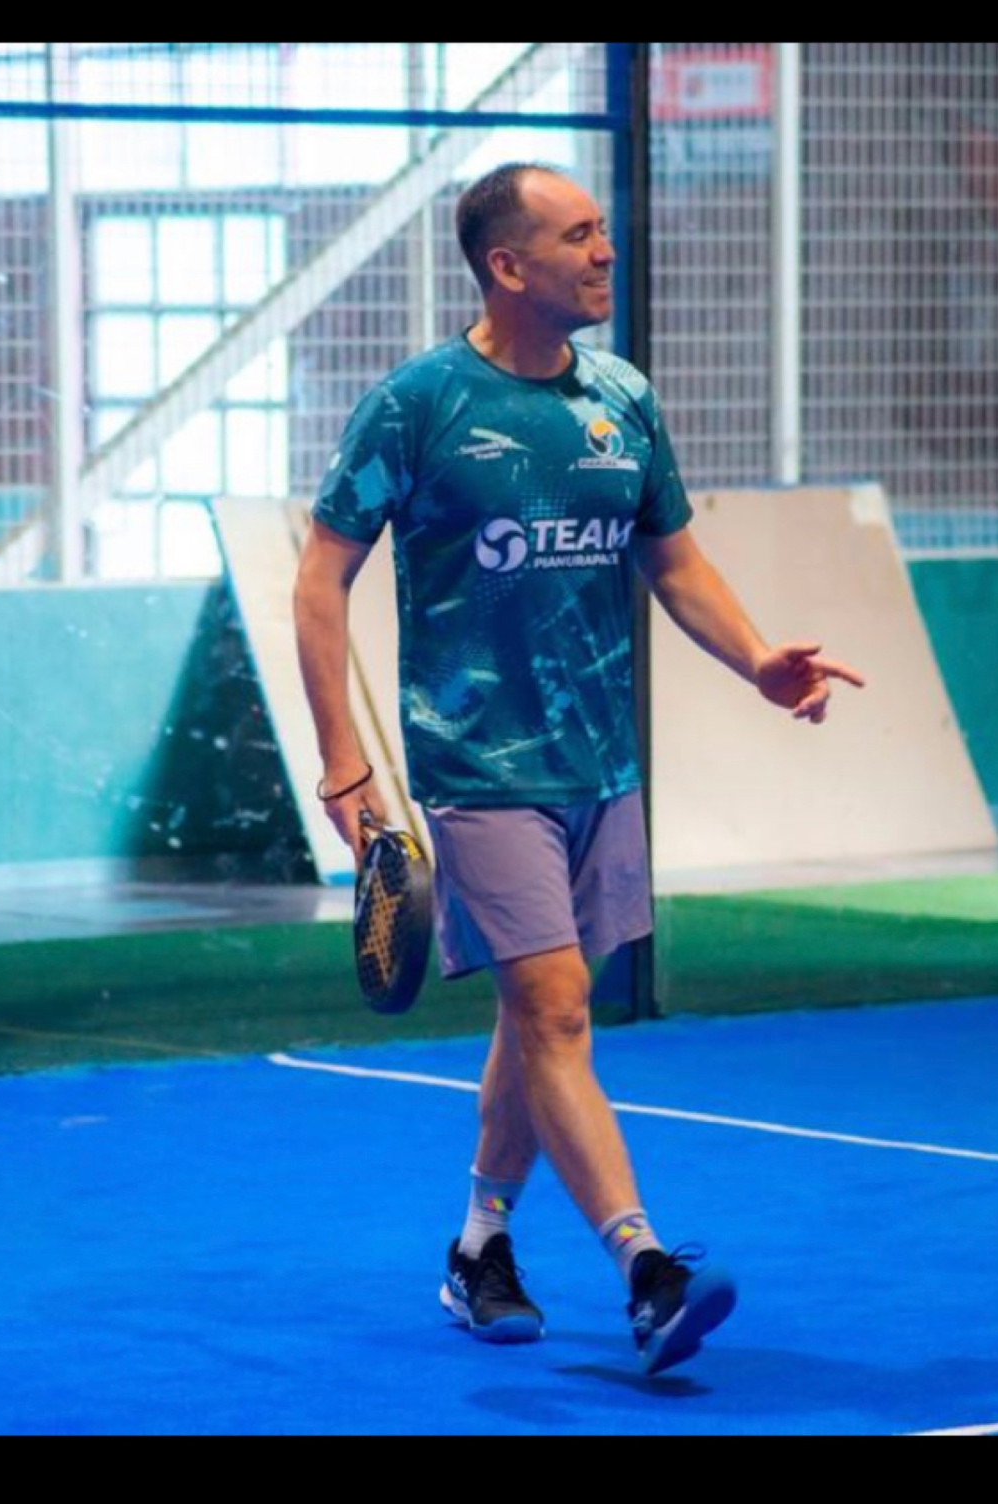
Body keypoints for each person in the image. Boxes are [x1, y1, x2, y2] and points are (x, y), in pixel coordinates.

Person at [292, 161, 865, 1376]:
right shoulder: (416, 405)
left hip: (601, 766)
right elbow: (320, 575)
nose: (605, 251)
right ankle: (645, 1268)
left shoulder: (621, 397)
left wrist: (757, 660)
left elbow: (674, 561)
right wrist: (345, 763)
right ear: (506, 265)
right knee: (555, 1006)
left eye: (602, 230)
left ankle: (478, 1243)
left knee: (536, 1012)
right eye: (578, 235)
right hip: (477, 764)